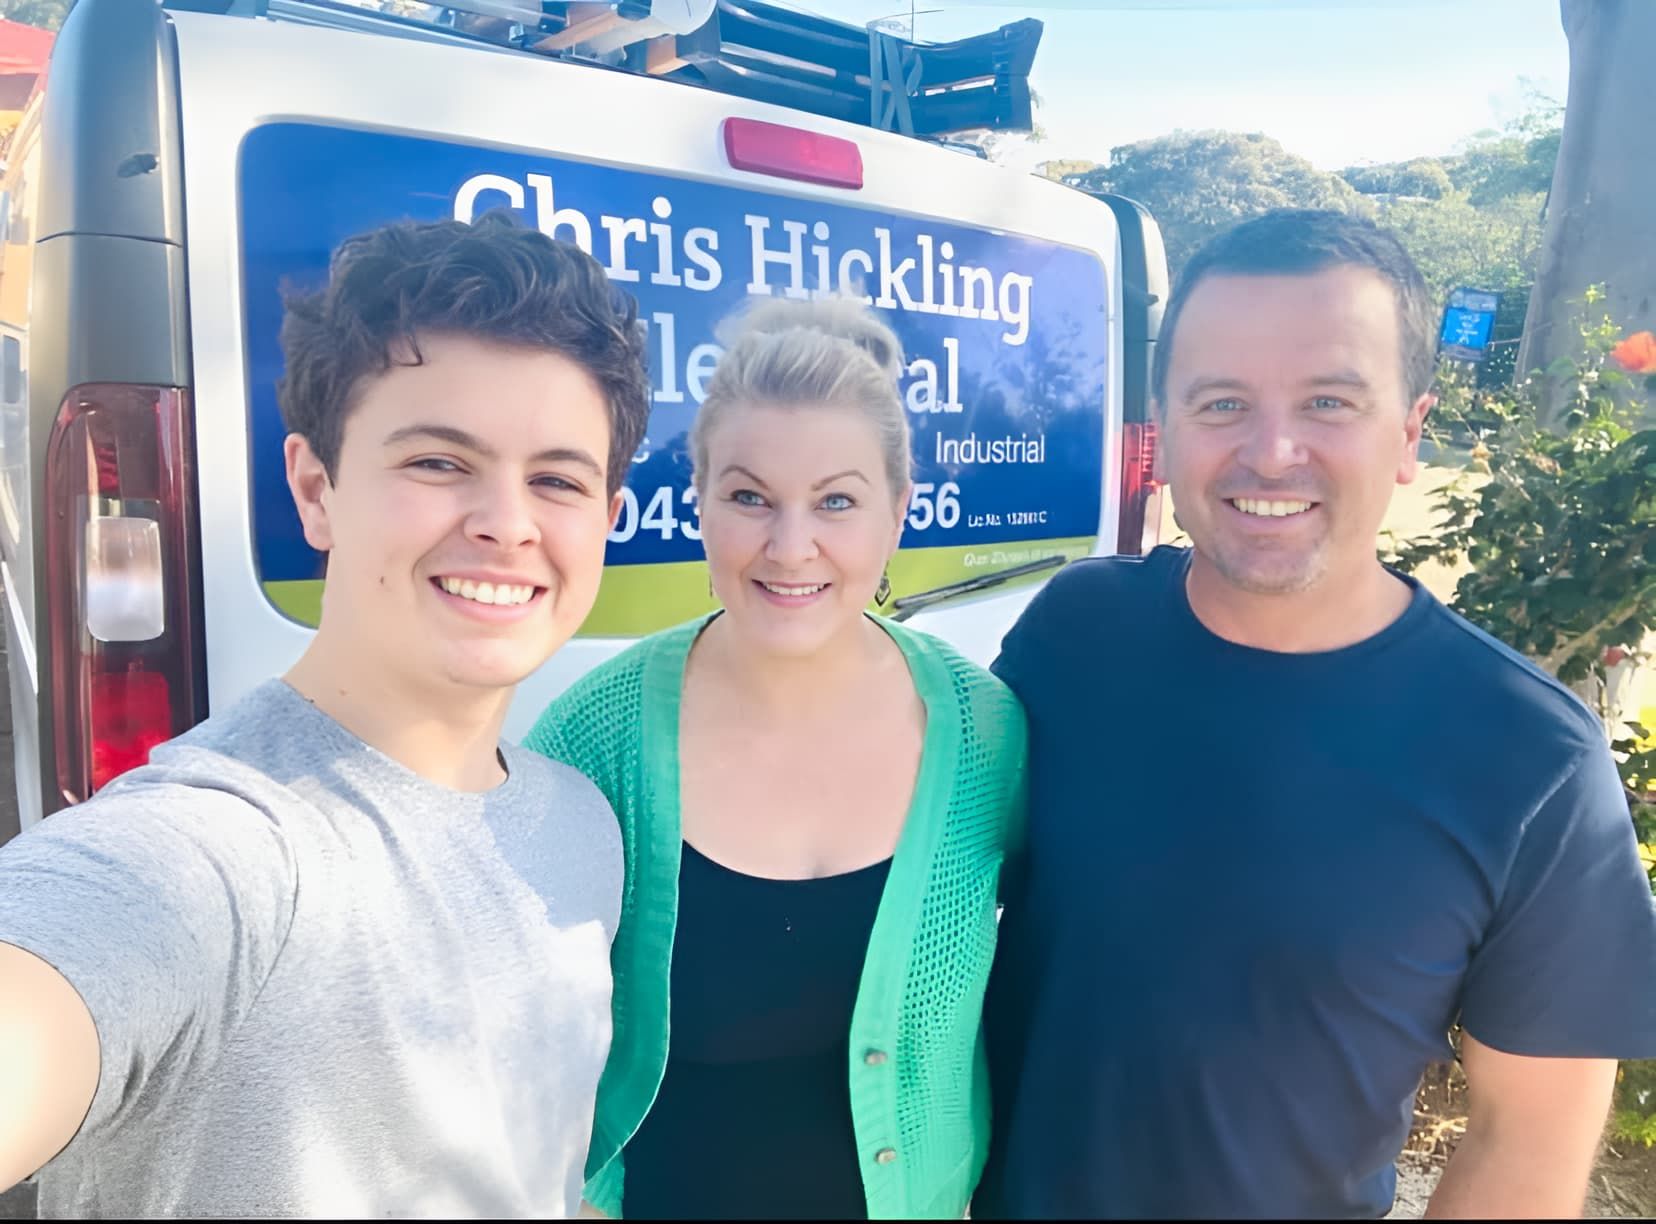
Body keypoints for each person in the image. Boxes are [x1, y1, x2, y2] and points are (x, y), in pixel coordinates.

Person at [975, 209, 1656, 1220]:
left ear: (1410, 433)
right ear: (1163, 433)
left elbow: (1531, 1137)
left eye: (1329, 400)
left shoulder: (1531, 762)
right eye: (1222, 403)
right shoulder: (1076, 634)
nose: (1272, 451)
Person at [0, 212, 652, 1218]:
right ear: (317, 489)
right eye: (438, 462)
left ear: (607, 523)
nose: (508, 524)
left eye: (557, 480)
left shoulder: (583, 826)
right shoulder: (215, 847)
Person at [527, 297, 1027, 1220]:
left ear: (897, 514)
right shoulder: (593, 737)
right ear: (701, 501)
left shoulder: (986, 735)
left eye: (836, 501)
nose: (790, 547)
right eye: (750, 496)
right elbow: (518, 1031)